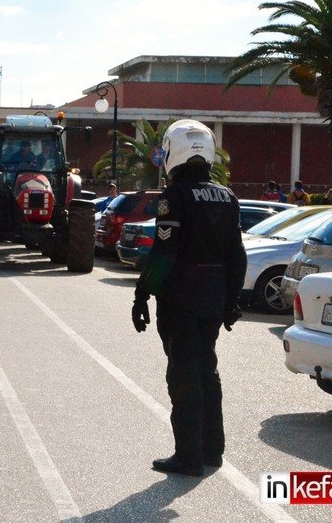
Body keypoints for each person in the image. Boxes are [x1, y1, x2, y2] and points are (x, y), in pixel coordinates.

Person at [131, 119, 247, 477]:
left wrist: (142, 294)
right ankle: (213, 450)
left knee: (184, 377)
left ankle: (188, 456)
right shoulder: (227, 197)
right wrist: (231, 299)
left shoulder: (175, 197)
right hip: (214, 298)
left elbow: (165, 254)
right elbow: (237, 254)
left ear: (172, 153)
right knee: (208, 373)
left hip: (182, 298)